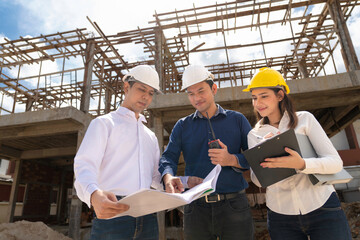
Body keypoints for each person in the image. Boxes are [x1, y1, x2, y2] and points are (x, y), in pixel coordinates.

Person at [244, 67, 352, 240]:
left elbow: (335, 162)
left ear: (280, 95)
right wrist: (264, 156)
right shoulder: (254, 135)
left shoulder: (305, 120)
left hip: (322, 207)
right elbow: (257, 180)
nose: (258, 103)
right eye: (254, 98)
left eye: (264, 96)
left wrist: (302, 164)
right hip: (281, 215)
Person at [159, 65, 254, 240]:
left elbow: (255, 157)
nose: (197, 98)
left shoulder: (237, 120)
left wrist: (232, 159)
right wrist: (168, 177)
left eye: (201, 91)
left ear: (214, 89)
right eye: (191, 93)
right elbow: (168, 158)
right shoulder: (182, 126)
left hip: (234, 206)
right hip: (196, 209)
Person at [74, 65, 163, 240]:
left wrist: (182, 183)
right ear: (126, 87)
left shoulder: (150, 136)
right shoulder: (104, 124)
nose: (146, 96)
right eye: (141, 89)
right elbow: (85, 165)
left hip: (148, 218)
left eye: (151, 93)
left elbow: (155, 178)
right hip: (114, 214)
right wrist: (93, 194)